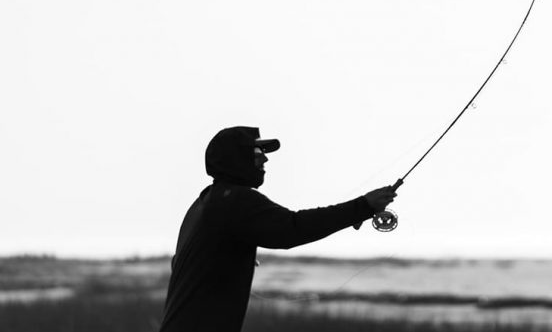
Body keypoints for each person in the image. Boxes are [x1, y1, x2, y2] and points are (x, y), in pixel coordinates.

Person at [158, 126, 397, 332]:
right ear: (236, 157)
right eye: (257, 151)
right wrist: (363, 206)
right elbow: (292, 228)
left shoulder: (205, 202)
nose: (264, 159)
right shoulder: (235, 200)